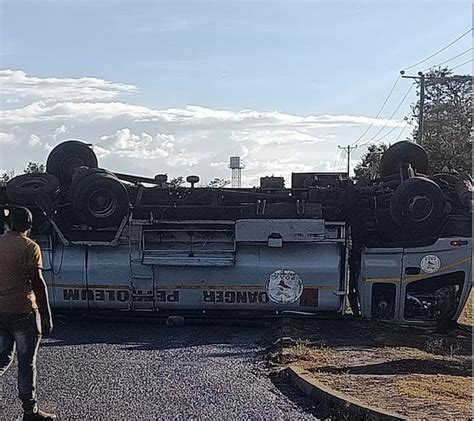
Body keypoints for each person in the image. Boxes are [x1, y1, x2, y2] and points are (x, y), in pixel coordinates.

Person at [0, 207, 55, 420]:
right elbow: (38, 284)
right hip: (24, 312)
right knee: (26, 362)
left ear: (10, 223)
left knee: (2, 358)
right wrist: (46, 315)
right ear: (29, 226)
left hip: (1, 311)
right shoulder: (30, 247)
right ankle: (29, 412)